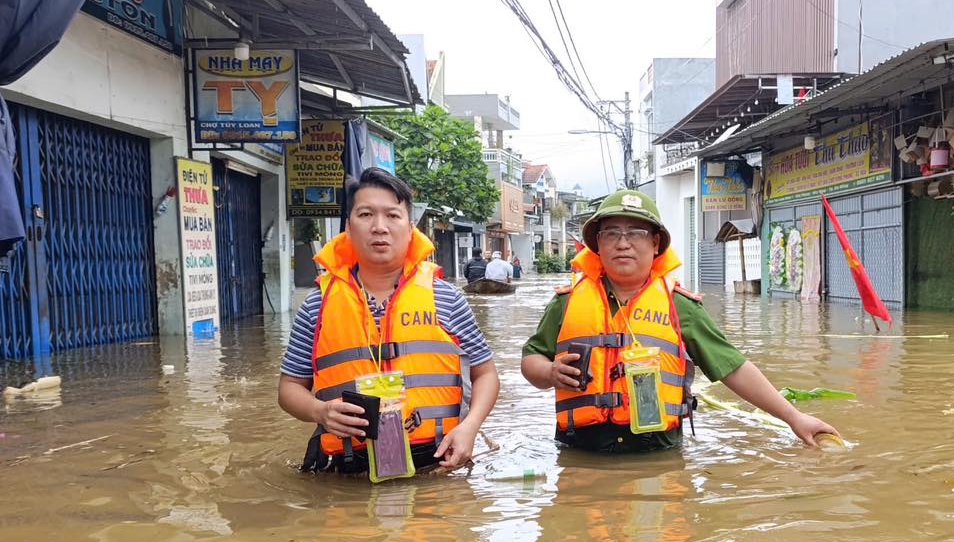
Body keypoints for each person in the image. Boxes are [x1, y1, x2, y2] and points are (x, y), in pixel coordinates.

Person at [520, 189, 836, 454]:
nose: (623, 243)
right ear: (597, 244)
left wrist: (794, 417)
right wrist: (548, 371)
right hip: (579, 453)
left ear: (656, 243)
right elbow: (530, 358)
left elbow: (734, 368)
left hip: (656, 455)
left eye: (636, 233)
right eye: (611, 233)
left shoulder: (680, 306)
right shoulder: (567, 302)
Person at [278, 169, 500, 474]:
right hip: (344, 473)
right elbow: (289, 387)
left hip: (438, 467)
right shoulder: (318, 303)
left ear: (410, 229)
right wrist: (319, 410)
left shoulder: (446, 298)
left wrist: (471, 427)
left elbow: (486, 374)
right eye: (366, 214)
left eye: (392, 216)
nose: (379, 227)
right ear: (348, 227)